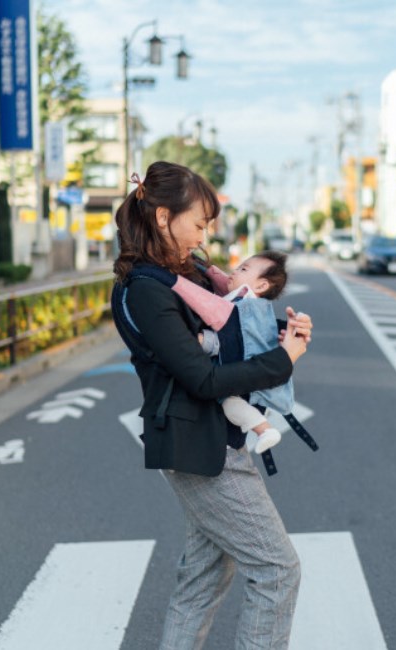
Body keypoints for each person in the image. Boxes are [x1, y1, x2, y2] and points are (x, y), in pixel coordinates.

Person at [111, 161, 313, 649]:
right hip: (200, 447)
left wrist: (275, 338)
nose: (204, 236)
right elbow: (201, 378)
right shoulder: (145, 289)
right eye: (198, 224)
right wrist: (281, 362)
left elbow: (232, 331)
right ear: (163, 217)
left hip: (214, 440)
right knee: (277, 570)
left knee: (204, 579)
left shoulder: (188, 272)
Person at [168, 250, 294, 455]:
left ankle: (264, 429)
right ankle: (262, 427)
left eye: (243, 269)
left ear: (262, 285)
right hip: (253, 378)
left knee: (228, 403)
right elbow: (221, 280)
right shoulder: (253, 305)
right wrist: (204, 267)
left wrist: (201, 340)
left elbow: (227, 339)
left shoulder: (244, 309)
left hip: (245, 385)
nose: (235, 271)